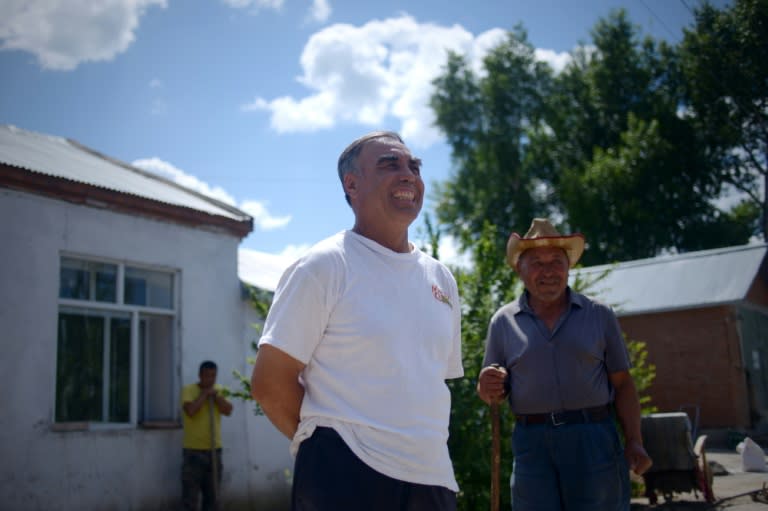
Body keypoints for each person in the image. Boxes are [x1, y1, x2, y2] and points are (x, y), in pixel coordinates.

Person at [250, 131, 463, 511]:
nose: (408, 175)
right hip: (344, 475)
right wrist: (327, 445)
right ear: (352, 184)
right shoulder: (325, 265)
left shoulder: (441, 279)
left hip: (432, 479)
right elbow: (270, 384)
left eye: (414, 166)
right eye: (390, 165)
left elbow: (428, 383)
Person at [477, 218, 652, 511]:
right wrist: (486, 384)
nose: (547, 272)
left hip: (593, 439)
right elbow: (491, 392)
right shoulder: (503, 322)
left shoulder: (599, 315)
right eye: (536, 263)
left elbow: (623, 384)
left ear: (568, 267)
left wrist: (634, 440)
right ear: (519, 270)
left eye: (556, 261)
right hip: (532, 444)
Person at [181, 360, 233, 511]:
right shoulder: (189, 390)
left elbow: (228, 410)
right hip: (193, 451)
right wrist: (204, 394)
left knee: (213, 497)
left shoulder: (218, 391)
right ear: (200, 375)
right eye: (207, 376)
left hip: (214, 450)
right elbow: (190, 411)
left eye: (213, 376)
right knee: (190, 497)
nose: (210, 379)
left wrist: (216, 397)